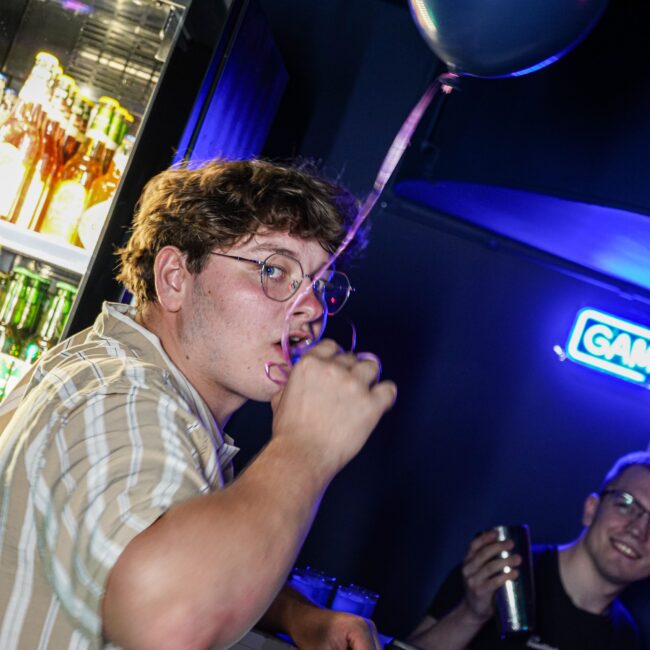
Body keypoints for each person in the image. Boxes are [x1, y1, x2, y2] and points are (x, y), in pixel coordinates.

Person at [0, 158, 397, 649]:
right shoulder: (128, 402)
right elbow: (166, 622)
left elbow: (161, 551)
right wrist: (306, 449)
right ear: (173, 277)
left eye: (320, 285)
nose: (312, 309)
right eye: (274, 270)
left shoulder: (114, 366)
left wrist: (296, 615)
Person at [408, 451, 650, 650]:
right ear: (591, 509)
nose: (639, 530)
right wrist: (470, 615)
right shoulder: (501, 572)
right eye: (626, 505)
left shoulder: (627, 637)